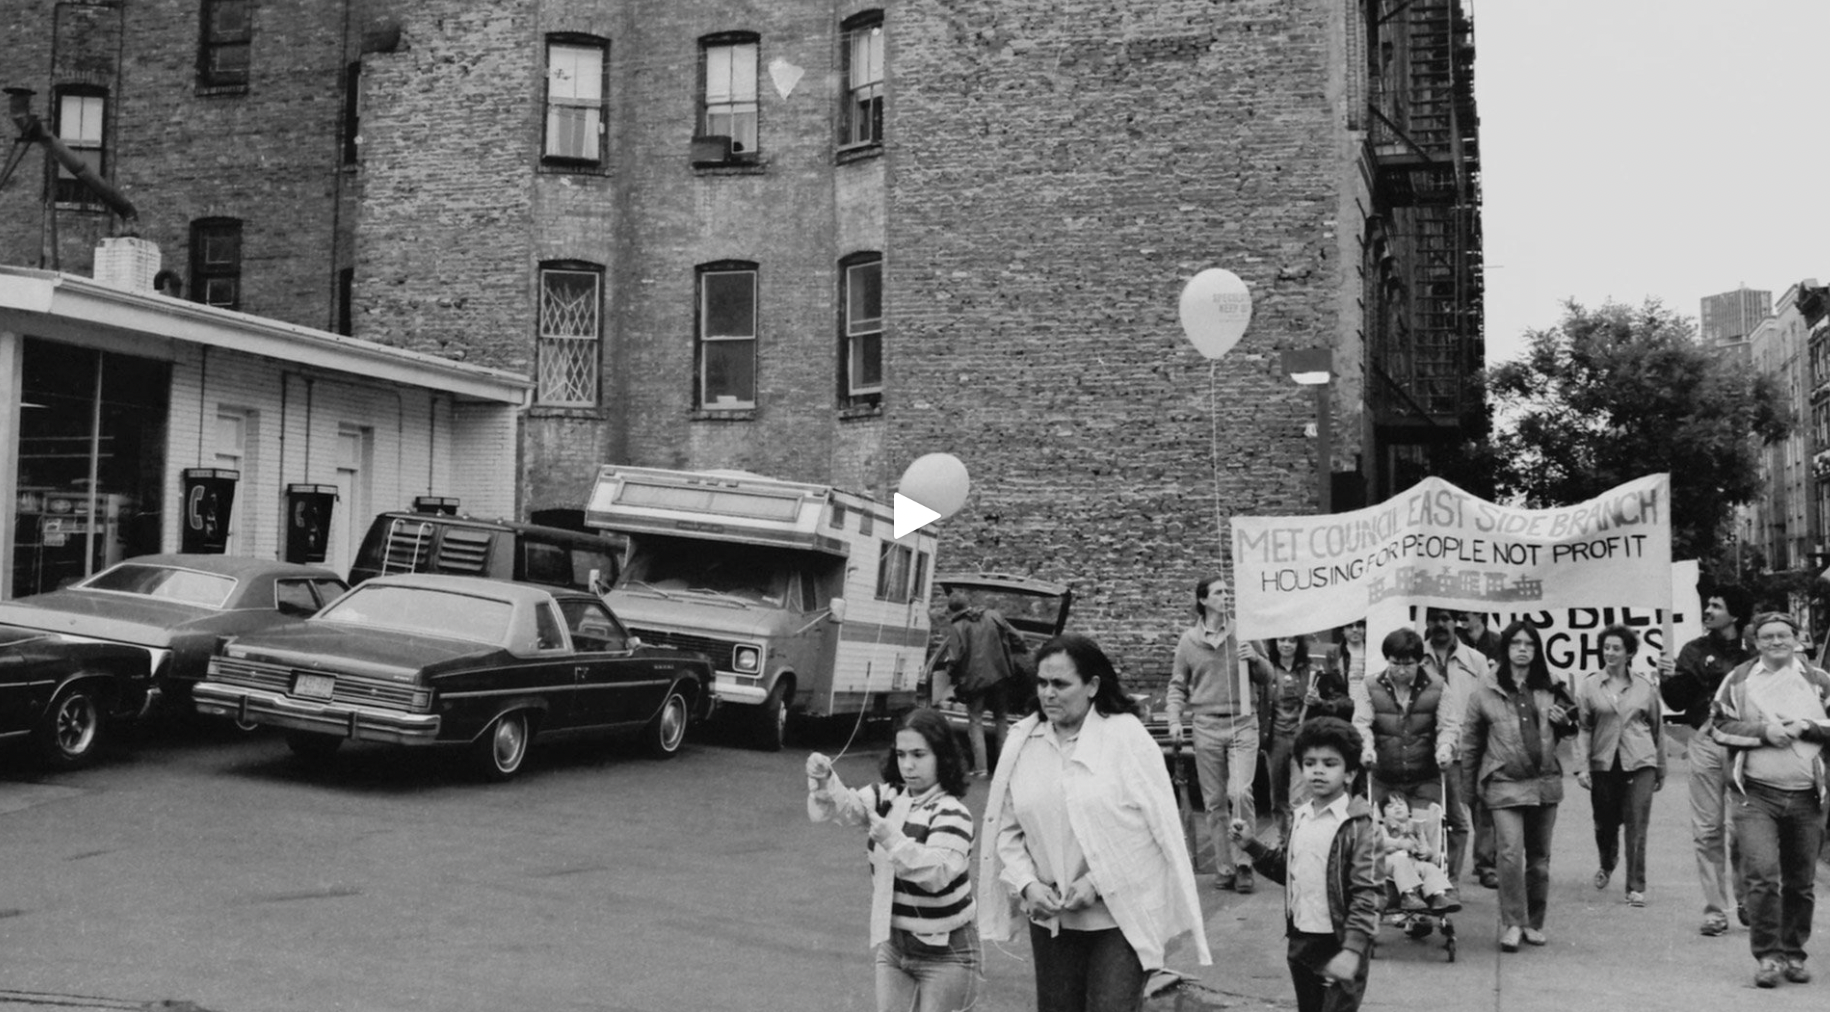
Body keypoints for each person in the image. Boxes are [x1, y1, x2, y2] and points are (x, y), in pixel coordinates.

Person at [980, 633, 1211, 1012]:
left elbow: (1155, 833)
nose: (1048, 693)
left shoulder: (1125, 738)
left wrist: (1098, 883)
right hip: (1052, 919)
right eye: (1042, 683)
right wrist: (1026, 884)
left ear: (1092, 686)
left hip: (1119, 917)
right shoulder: (1024, 741)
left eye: (1060, 684)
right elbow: (1007, 829)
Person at [805, 708, 981, 1012]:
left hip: (946, 951)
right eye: (901, 755)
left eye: (919, 754)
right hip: (895, 946)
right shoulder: (887, 796)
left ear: (942, 756)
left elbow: (935, 873)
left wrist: (891, 838)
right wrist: (825, 780)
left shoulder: (953, 813)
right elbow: (847, 808)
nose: (908, 765)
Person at [1707, 611, 1830, 989]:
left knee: (1801, 881)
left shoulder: (1818, 680)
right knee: (1760, 875)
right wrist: (1764, 733)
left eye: (1783, 635)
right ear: (1755, 642)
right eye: (1767, 637)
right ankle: (1769, 956)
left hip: (1807, 797)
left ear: (1797, 639)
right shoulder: (1739, 679)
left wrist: (1807, 727)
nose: (1776, 642)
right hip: (1755, 795)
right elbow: (1719, 725)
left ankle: (1794, 952)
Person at [1232, 717, 1380, 1012]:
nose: (1318, 771)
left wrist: (1353, 949)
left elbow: (1369, 894)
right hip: (1302, 940)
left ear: (1350, 773)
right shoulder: (1299, 817)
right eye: (1310, 763)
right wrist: (1251, 845)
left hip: (1340, 942)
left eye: (1329, 763)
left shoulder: (1359, 826)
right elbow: (1286, 870)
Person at [1460, 620, 1578, 952]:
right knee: (1510, 854)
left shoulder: (1552, 685)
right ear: (1505, 649)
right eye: (1516, 644)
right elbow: (1470, 743)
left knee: (1539, 859)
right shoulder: (1486, 689)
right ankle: (1512, 922)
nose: (1523, 649)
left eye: (1529, 644)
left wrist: (1565, 722)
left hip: (1544, 782)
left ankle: (1534, 923)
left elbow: (1573, 724)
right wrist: (1467, 790)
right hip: (1503, 782)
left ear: (1537, 650)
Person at [1658, 584, 1754, 937]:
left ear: (1736, 614)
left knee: (1744, 826)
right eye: (1708, 604)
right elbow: (1679, 702)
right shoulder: (1693, 650)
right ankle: (1715, 909)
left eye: (1717, 605)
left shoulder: (1754, 653)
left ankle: (1746, 898)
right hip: (1706, 742)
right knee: (1707, 829)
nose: (1709, 609)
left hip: (1746, 746)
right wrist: (1667, 678)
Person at [1167, 575, 1272, 893]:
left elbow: (1267, 676)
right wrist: (1174, 720)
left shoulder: (1245, 631)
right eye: (1218, 592)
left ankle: (1244, 863)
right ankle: (1224, 867)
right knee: (1213, 802)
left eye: (1228, 591)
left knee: (1239, 792)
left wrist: (1255, 659)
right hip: (1206, 726)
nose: (1226, 596)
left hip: (1242, 722)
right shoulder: (1188, 641)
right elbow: (1177, 686)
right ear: (1202, 600)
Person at [1351, 627, 1460, 910]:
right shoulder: (1369, 686)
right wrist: (1366, 748)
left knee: (1427, 830)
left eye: (1408, 663)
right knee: (1384, 833)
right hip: (1385, 779)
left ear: (1419, 662)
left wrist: (1445, 748)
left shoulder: (1438, 687)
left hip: (1425, 776)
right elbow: (1361, 722)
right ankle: (1397, 897)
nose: (1401, 670)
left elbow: (1448, 725)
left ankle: (1437, 890)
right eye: (1395, 662)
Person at [1573, 624, 1666, 908]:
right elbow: (1584, 728)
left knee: (1637, 825)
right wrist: (1582, 766)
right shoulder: (1590, 685)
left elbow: (1657, 727)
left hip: (1640, 761)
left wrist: (1660, 767)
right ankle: (1607, 861)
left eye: (1616, 648)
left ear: (1629, 653)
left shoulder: (1644, 686)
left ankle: (1635, 886)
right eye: (1606, 648)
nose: (1610, 653)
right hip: (1604, 762)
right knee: (1605, 823)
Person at [1262, 634, 1354, 842]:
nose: (1286, 645)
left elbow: (1339, 701)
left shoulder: (1310, 671)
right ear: (1275, 643)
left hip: (1301, 739)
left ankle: (1298, 839)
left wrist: (1317, 700)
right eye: (1282, 640)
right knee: (1277, 797)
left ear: (1298, 644)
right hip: (1276, 738)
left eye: (1292, 641)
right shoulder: (1268, 669)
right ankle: (1283, 839)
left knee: (1299, 796)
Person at [1420, 607, 1487, 887]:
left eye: (1445, 618)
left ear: (1455, 622)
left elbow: (1486, 703)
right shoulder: (1414, 657)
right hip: (1423, 753)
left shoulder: (1476, 660)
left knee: (1459, 821)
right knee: (1425, 821)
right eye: (1434, 619)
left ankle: (1451, 882)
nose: (1440, 624)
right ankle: (1424, 881)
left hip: (1462, 753)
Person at [934, 586, 1031, 777]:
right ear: (968, 604)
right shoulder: (993, 615)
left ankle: (981, 769)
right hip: (1001, 677)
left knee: (976, 720)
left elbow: (954, 658)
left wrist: (953, 675)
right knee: (1001, 719)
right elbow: (1018, 637)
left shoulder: (956, 627)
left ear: (952, 611)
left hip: (974, 682)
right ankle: (1005, 769)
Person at [1376, 794, 1458, 913]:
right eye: (1390, 806)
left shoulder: (1416, 827)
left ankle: (1438, 895)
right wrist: (1398, 843)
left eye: (1401, 804)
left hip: (1413, 861)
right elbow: (1380, 842)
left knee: (1429, 867)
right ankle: (1408, 895)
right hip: (1389, 862)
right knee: (1400, 862)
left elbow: (1425, 846)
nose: (1397, 808)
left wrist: (1425, 851)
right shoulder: (1382, 825)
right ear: (1383, 813)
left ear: (1409, 811)